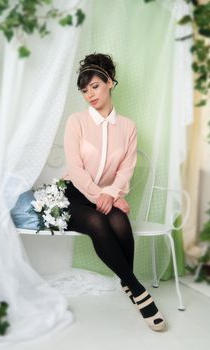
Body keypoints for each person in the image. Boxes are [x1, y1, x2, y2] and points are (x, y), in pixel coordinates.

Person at [62, 53, 166, 332]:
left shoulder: (128, 127)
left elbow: (126, 169)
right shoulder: (76, 122)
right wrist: (104, 197)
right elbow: (76, 168)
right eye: (84, 90)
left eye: (95, 86)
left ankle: (125, 281)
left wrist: (113, 194)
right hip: (73, 193)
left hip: (108, 194)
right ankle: (139, 292)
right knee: (98, 221)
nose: (89, 95)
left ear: (110, 83)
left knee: (120, 221)